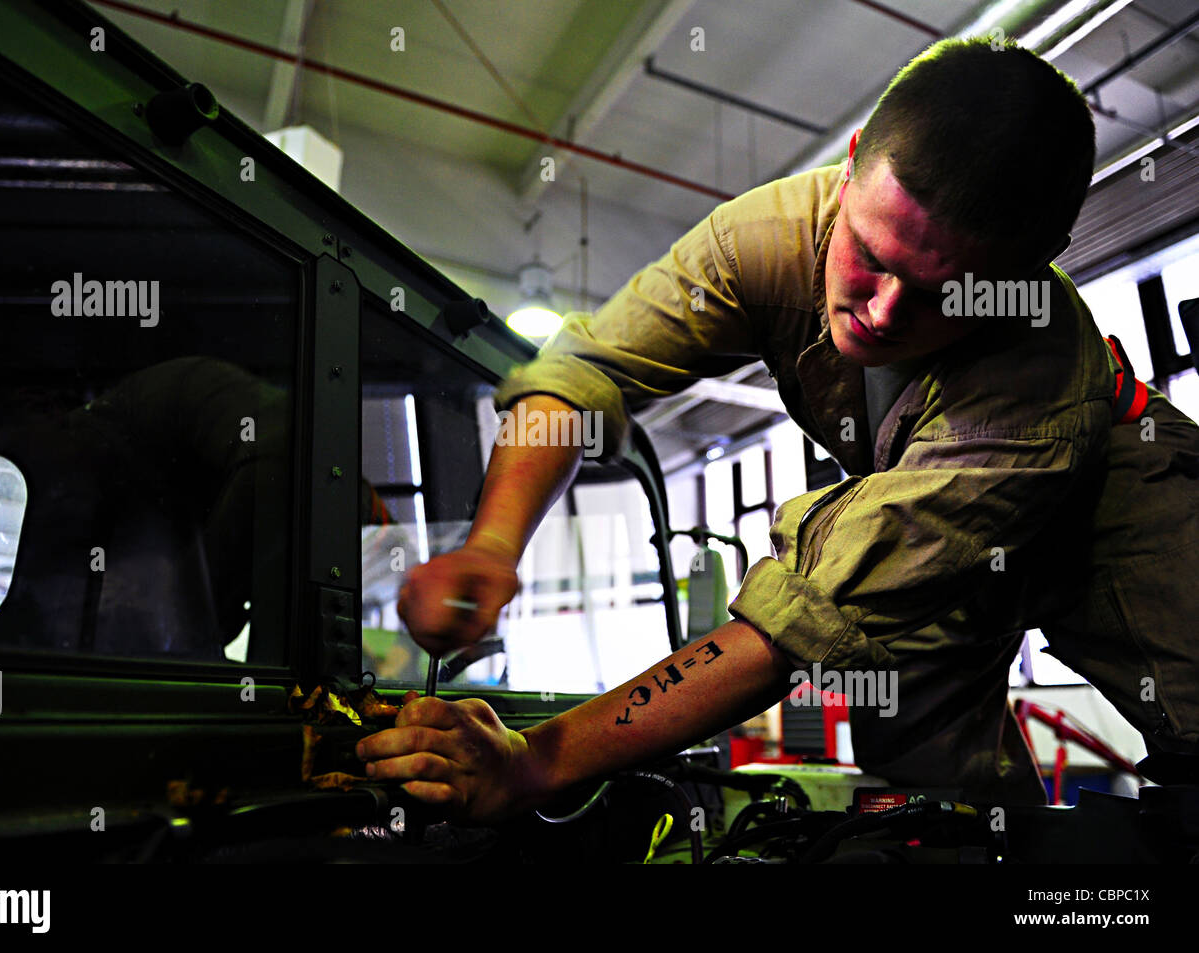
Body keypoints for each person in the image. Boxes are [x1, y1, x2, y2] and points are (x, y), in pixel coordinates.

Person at [357, 36, 1199, 823]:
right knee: (938, 811)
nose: (880, 312)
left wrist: (534, 763)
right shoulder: (766, 238)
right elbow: (589, 371)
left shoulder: (1035, 382)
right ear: (852, 162)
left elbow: (799, 617)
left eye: (940, 293)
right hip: (915, 534)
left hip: (1110, 512)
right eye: (869, 254)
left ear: (1031, 264)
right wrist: (492, 545)